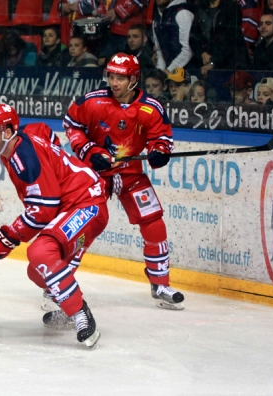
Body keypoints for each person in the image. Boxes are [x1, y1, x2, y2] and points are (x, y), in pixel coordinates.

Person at [0, 104, 107, 348]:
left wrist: (6, 238)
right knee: (37, 272)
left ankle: (80, 314)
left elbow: (44, 209)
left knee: (40, 252)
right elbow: (44, 130)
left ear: (7, 132)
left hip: (87, 203)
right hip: (70, 207)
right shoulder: (19, 139)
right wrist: (56, 157)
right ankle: (68, 301)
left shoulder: (24, 157)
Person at [64, 53, 185, 311]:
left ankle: (160, 283)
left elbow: (162, 137)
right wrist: (89, 151)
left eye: (121, 77)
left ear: (134, 79)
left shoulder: (151, 108)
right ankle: (58, 285)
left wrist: (159, 151)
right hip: (96, 174)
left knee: (153, 221)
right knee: (84, 226)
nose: (114, 82)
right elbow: (71, 124)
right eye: (111, 76)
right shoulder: (92, 102)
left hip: (131, 175)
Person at [193, 0, 249, 77]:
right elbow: (193, 36)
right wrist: (202, 53)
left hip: (231, 65)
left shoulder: (232, 8)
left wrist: (213, 62)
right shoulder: (199, 8)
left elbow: (230, 40)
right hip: (206, 64)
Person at [152, 0, 194, 74]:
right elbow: (159, 50)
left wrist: (168, 70)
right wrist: (160, 72)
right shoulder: (157, 18)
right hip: (169, 73)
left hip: (188, 72)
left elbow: (188, 49)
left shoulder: (182, 13)